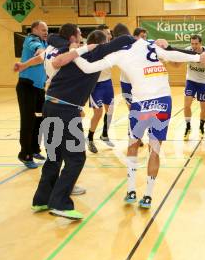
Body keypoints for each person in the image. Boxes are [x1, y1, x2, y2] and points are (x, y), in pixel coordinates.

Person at [72, 35, 205, 209]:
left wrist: (74, 51)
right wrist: (197, 57)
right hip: (162, 102)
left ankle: (131, 190)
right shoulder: (149, 45)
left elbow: (87, 68)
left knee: (132, 145)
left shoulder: (118, 54)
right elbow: (172, 55)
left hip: (141, 104)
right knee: (154, 149)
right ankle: (148, 195)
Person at [19, 25, 137, 220]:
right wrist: (139, 40)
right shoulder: (92, 52)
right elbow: (122, 41)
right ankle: (60, 203)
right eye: (107, 39)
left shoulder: (75, 53)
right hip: (66, 111)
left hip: (51, 106)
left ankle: (41, 199)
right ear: (102, 43)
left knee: (54, 156)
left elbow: (55, 39)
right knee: (76, 158)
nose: (109, 41)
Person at [16, 21, 48, 168]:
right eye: (43, 29)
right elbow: (38, 49)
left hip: (39, 88)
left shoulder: (45, 42)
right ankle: (25, 154)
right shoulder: (31, 40)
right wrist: (41, 51)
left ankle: (35, 149)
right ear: (34, 29)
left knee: (40, 120)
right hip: (27, 86)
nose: (45, 32)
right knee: (28, 121)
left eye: (47, 30)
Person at [87, 24, 115, 153]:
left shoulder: (112, 48)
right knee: (98, 113)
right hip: (95, 85)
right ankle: (90, 138)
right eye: (107, 33)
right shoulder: (92, 49)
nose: (109, 35)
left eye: (109, 33)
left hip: (107, 83)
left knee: (110, 111)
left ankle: (104, 134)